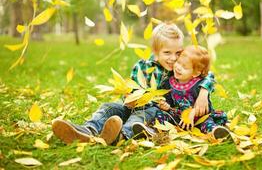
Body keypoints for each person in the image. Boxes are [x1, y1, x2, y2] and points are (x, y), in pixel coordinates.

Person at [52, 23, 215, 145]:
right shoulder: (142, 66)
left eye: (177, 53)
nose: (173, 58)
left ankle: (118, 136)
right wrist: (129, 96)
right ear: (155, 51)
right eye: (167, 53)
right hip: (132, 104)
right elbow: (132, 89)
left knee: (141, 114)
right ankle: (87, 130)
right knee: (109, 107)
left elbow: (206, 75)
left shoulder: (179, 69)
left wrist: (203, 93)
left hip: (154, 111)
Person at [152, 45, 229, 139]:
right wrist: (166, 106)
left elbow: (205, 108)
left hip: (199, 119)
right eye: (178, 62)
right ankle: (156, 130)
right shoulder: (169, 82)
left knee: (207, 123)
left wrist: (192, 113)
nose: (178, 68)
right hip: (178, 118)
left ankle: (216, 132)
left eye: (184, 67)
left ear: (195, 73)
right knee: (160, 115)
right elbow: (169, 102)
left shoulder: (199, 84)